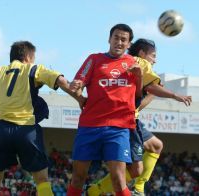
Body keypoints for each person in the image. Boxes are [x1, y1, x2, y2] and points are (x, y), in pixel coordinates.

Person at [0, 41, 79, 196]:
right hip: (27, 130)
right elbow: (60, 80)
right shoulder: (33, 69)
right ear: (28, 56)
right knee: (41, 179)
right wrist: (80, 99)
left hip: (2, 132)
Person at [87, 38, 192, 196]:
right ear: (142, 53)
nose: (155, 60)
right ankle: (101, 189)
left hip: (129, 118)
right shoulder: (138, 63)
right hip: (125, 121)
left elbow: (138, 104)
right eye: (153, 55)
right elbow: (151, 90)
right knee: (135, 169)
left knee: (155, 146)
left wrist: (150, 94)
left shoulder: (129, 64)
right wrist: (174, 95)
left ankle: (135, 188)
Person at [67, 24, 143, 196]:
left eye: (124, 39)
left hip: (119, 128)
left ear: (129, 44)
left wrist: (139, 76)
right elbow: (78, 84)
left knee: (118, 178)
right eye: (116, 37)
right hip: (90, 125)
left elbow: (137, 96)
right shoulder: (94, 59)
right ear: (109, 39)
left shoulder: (134, 64)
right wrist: (77, 87)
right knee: (78, 177)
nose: (119, 42)